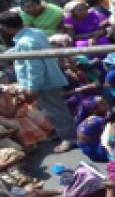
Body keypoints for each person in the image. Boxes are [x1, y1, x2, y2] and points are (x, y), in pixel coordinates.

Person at [0, 12, 74, 151]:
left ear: (6, 27)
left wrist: (32, 88)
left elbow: (35, 67)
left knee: (56, 110)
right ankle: (61, 132)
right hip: (46, 79)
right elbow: (20, 51)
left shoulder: (26, 42)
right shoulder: (34, 33)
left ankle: (69, 138)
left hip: (43, 82)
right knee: (50, 109)